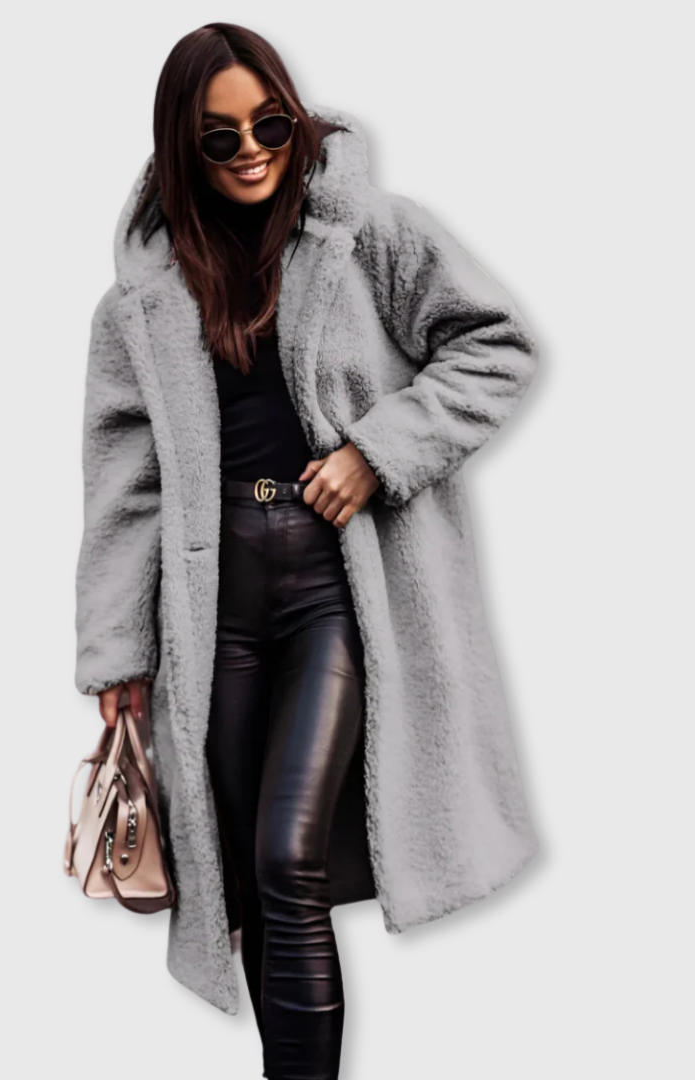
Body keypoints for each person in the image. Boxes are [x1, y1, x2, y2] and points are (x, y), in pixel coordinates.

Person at [74, 21, 541, 1080]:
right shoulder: (139, 303)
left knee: (290, 855)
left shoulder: (369, 233)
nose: (250, 150)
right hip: (213, 607)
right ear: (181, 147)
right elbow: (123, 482)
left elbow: (495, 344)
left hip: (335, 586)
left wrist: (377, 453)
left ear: (295, 120)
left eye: (270, 124)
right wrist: (116, 650)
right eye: (220, 136)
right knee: (247, 876)